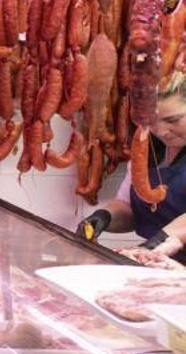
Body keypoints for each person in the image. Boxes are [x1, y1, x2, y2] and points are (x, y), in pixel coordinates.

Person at [80, 70, 186, 260]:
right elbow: (128, 208)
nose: (161, 131)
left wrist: (158, 242)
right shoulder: (148, 150)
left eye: (173, 120)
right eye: (151, 121)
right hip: (160, 268)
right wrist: (104, 217)